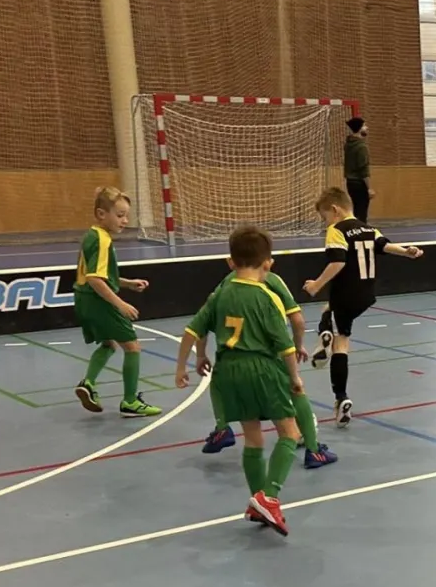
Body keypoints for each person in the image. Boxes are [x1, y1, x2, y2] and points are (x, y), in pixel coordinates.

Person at [174, 226, 303, 536]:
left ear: (231, 261)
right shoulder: (266, 297)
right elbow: (286, 346)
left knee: (253, 437)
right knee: (290, 432)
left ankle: (257, 503)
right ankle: (269, 496)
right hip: (261, 369)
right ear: (268, 262)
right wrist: (294, 376)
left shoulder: (221, 293)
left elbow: (192, 330)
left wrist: (184, 365)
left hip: (227, 371)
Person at [195, 251, 338, 470]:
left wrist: (200, 354)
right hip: (269, 354)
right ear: (267, 262)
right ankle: (313, 450)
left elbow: (202, 323)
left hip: (231, 355)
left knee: (217, 378)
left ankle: (222, 427)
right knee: (296, 391)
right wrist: (298, 344)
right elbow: (297, 319)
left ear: (231, 262)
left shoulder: (227, 283)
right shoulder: (271, 281)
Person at [304, 186, 423, 426]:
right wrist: (406, 252)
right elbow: (384, 246)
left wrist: (316, 284)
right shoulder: (368, 228)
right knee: (331, 314)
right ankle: (326, 332)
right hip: (366, 295)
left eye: (325, 217)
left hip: (345, 293)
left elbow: (337, 262)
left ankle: (340, 396)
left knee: (340, 343)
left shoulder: (337, 230)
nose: (325, 223)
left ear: (335, 210)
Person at [73, 186, 160, 417]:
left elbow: (96, 274)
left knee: (109, 344)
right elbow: (95, 280)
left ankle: (88, 384)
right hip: (98, 301)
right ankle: (130, 401)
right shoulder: (103, 240)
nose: (125, 221)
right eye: (120, 215)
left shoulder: (91, 235)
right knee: (132, 347)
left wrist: (127, 283)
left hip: (82, 300)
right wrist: (120, 304)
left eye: (126, 215)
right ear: (102, 214)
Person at [344, 116, 371, 224]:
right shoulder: (361, 146)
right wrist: (369, 188)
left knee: (356, 210)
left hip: (350, 183)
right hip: (359, 183)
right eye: (364, 126)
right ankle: (361, 231)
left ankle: (355, 229)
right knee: (362, 213)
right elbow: (363, 169)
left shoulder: (348, 144)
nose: (367, 127)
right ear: (359, 128)